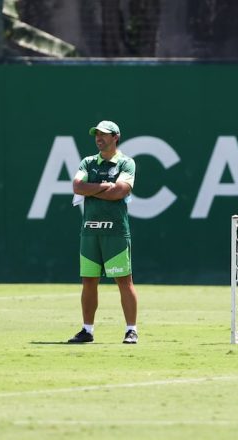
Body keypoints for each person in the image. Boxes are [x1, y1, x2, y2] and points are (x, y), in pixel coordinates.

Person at [67, 120, 139, 344]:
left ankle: (131, 330)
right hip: (89, 231)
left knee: (123, 281)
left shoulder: (126, 163)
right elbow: (77, 187)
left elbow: (119, 192)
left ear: (116, 137)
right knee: (88, 281)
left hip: (116, 231)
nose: (99, 138)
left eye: (104, 134)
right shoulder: (88, 162)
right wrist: (104, 186)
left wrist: (94, 189)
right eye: (96, 134)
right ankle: (87, 330)